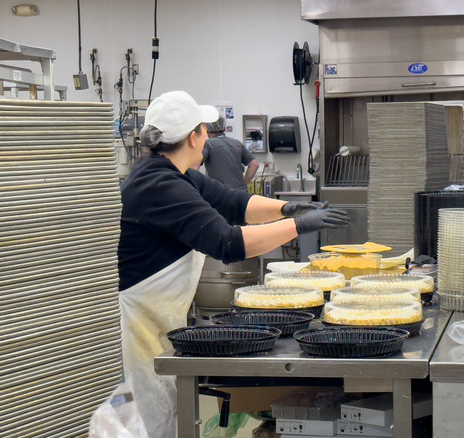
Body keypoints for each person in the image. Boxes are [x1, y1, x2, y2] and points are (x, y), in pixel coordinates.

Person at [116, 90, 349, 438]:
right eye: (204, 129)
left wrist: (286, 209)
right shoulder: (158, 185)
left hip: (158, 317)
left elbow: (234, 202)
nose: (208, 136)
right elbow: (228, 242)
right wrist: (299, 226)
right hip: (137, 325)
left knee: (165, 411)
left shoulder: (174, 172)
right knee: (151, 420)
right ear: (193, 136)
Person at [202, 114, 259, 191]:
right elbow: (254, 165)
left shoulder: (208, 144)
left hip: (221, 194)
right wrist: (243, 183)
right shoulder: (237, 143)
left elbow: (195, 163)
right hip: (241, 193)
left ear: (207, 129)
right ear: (224, 128)